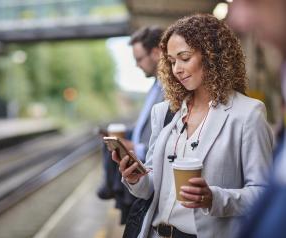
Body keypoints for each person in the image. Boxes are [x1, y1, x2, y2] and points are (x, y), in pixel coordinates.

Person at [112, 14, 273, 238]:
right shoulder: (165, 112)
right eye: (171, 61)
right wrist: (135, 178)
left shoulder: (247, 114)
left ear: (211, 56)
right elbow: (150, 188)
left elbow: (264, 195)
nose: (176, 68)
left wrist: (213, 198)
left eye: (184, 57)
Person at [228, 1, 286, 237]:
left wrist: (214, 198)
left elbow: (257, 187)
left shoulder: (251, 111)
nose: (238, 19)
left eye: (253, 1)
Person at [97, 26, 165, 223]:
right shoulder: (155, 86)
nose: (136, 65)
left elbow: (166, 132)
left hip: (149, 172)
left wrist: (136, 147)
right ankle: (110, 186)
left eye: (139, 59)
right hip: (140, 174)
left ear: (155, 52)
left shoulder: (168, 89)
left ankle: (109, 187)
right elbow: (148, 125)